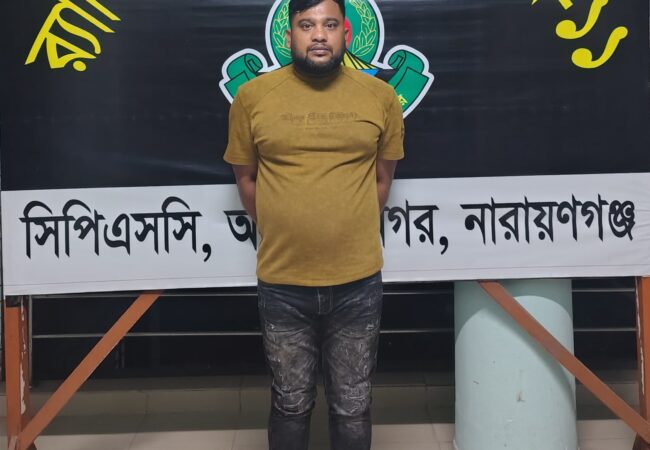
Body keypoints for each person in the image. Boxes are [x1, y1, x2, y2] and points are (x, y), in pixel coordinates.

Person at [223, 0, 404, 448]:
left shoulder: (380, 97)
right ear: (289, 37)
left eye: (329, 25)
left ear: (346, 34)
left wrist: (343, 223)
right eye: (306, 25)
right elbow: (246, 179)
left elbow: (382, 179)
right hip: (283, 284)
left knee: (352, 405)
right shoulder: (253, 97)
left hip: (358, 283)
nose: (318, 35)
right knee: (290, 402)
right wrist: (288, 224)